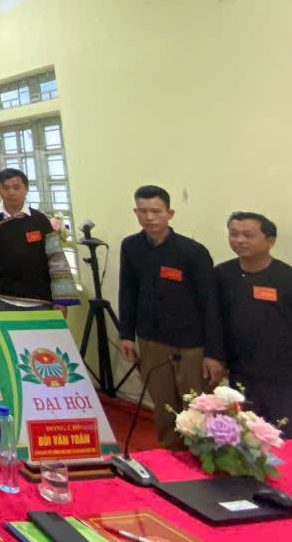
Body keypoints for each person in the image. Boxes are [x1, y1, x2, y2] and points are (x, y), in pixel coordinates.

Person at [118, 184, 225, 449]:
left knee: (198, 408)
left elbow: (211, 304)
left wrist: (214, 354)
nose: (149, 217)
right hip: (151, 341)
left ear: (170, 213)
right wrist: (126, 335)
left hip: (191, 344)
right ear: (135, 212)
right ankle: (170, 457)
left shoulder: (192, 251)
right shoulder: (131, 246)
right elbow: (128, 291)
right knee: (164, 407)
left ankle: (204, 458)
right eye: (143, 211)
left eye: (156, 211)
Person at [215, 211, 292, 438]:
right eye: (234, 234)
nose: (239, 240)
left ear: (270, 241)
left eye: (248, 235)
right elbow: (213, 320)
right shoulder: (221, 275)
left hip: (287, 381)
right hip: (242, 376)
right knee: (246, 441)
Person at [0, 168, 79, 312]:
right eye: (5, 188)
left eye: (16, 187)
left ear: (26, 189)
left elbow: (56, 259)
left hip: (39, 299)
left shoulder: (41, 220)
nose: (11, 192)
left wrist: (61, 298)